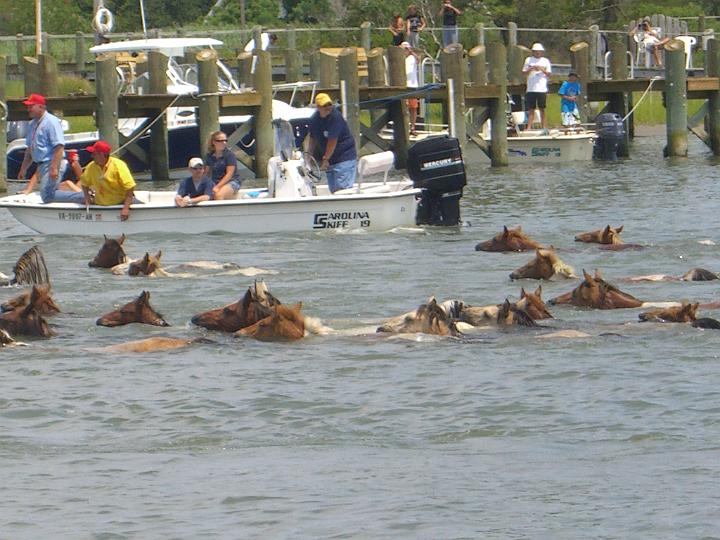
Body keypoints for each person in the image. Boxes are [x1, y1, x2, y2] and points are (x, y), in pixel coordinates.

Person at [17, 93, 82, 203]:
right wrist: (23, 168)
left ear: (41, 107)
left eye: (31, 106)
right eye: (28, 106)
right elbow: (29, 149)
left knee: (47, 195)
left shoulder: (51, 122)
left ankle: (84, 197)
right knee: (49, 192)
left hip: (52, 163)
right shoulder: (32, 124)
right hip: (41, 165)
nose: (28, 109)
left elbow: (59, 146)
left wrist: (54, 167)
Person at [307, 93, 357, 193]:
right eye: (324, 106)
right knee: (334, 190)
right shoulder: (314, 119)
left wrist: (325, 160)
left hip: (344, 158)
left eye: (329, 104)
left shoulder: (336, 117)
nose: (328, 107)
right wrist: (308, 157)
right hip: (331, 161)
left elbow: (332, 141)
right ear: (318, 107)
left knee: (342, 191)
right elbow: (312, 138)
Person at [79, 140, 137, 221]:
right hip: (100, 204)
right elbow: (84, 183)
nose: (92, 156)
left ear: (101, 154)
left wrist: (126, 208)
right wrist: (87, 198)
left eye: (94, 153)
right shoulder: (91, 166)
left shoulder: (118, 165)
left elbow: (130, 187)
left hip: (120, 203)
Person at [522, 43, 552, 131]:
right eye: (536, 52)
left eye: (539, 52)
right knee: (531, 109)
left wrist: (542, 69)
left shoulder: (545, 61)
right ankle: (529, 127)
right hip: (531, 89)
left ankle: (544, 127)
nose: (537, 53)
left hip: (541, 89)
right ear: (533, 52)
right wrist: (531, 69)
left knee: (542, 109)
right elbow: (524, 72)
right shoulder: (528, 60)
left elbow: (549, 74)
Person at [205, 131, 241, 200]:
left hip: (232, 181)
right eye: (221, 141)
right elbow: (206, 173)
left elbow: (229, 175)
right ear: (214, 142)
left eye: (225, 140)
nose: (224, 143)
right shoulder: (209, 156)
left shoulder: (229, 155)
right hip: (215, 181)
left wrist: (217, 187)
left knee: (218, 195)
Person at [400, 42, 421, 135]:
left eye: (406, 49)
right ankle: (403, 127)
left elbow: (418, 60)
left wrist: (411, 52)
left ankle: (412, 127)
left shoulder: (412, 57)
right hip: (401, 86)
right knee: (403, 108)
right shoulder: (399, 59)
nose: (405, 51)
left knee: (413, 108)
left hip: (412, 86)